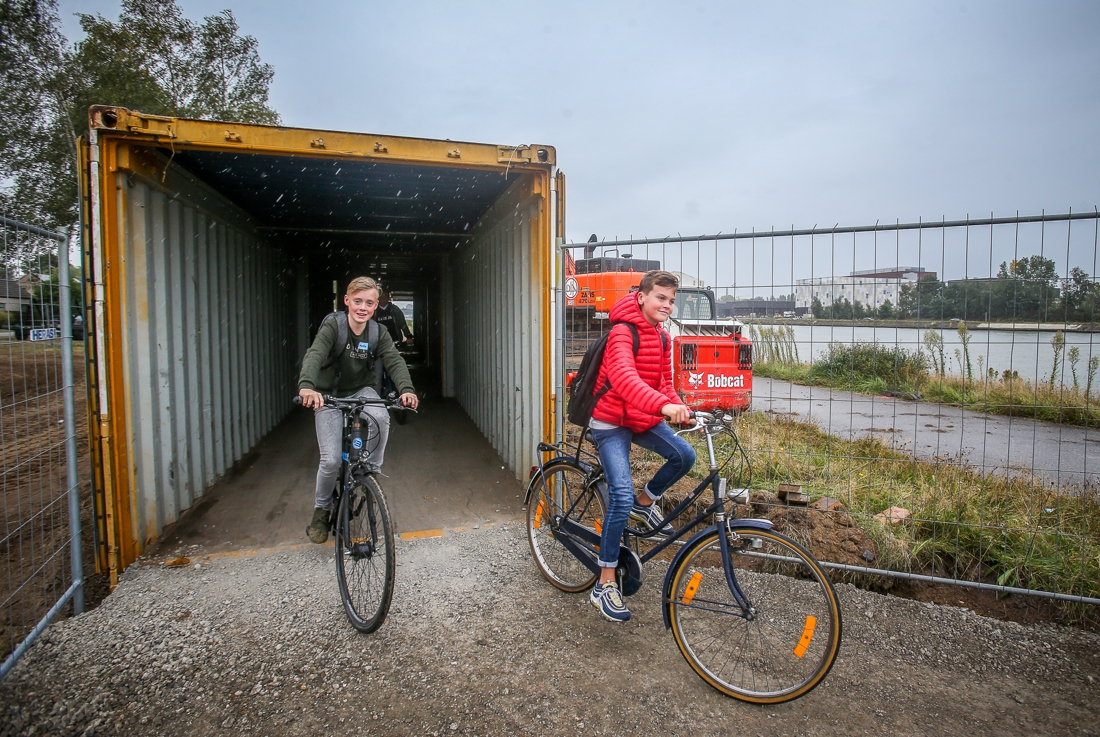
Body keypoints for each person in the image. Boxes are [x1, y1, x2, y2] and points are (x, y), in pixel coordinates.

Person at [587, 270, 696, 623]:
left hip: (639, 417)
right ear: (641, 297)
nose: (667, 305)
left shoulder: (662, 336)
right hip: (610, 422)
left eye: (671, 300)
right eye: (661, 298)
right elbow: (623, 379)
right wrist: (663, 407)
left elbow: (663, 383)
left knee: (685, 455)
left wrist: (681, 408)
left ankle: (644, 503)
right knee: (619, 495)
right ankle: (604, 583)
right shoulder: (622, 332)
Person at [298, 277, 419, 544]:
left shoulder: (377, 332)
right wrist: (307, 386)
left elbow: (394, 360)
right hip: (328, 395)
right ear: (347, 301)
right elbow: (315, 353)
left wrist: (406, 389)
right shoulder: (334, 326)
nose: (363, 308)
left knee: (381, 416)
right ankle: (322, 510)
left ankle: (370, 471)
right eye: (357, 301)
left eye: (369, 303)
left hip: (361, 390)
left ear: (376, 305)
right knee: (331, 461)